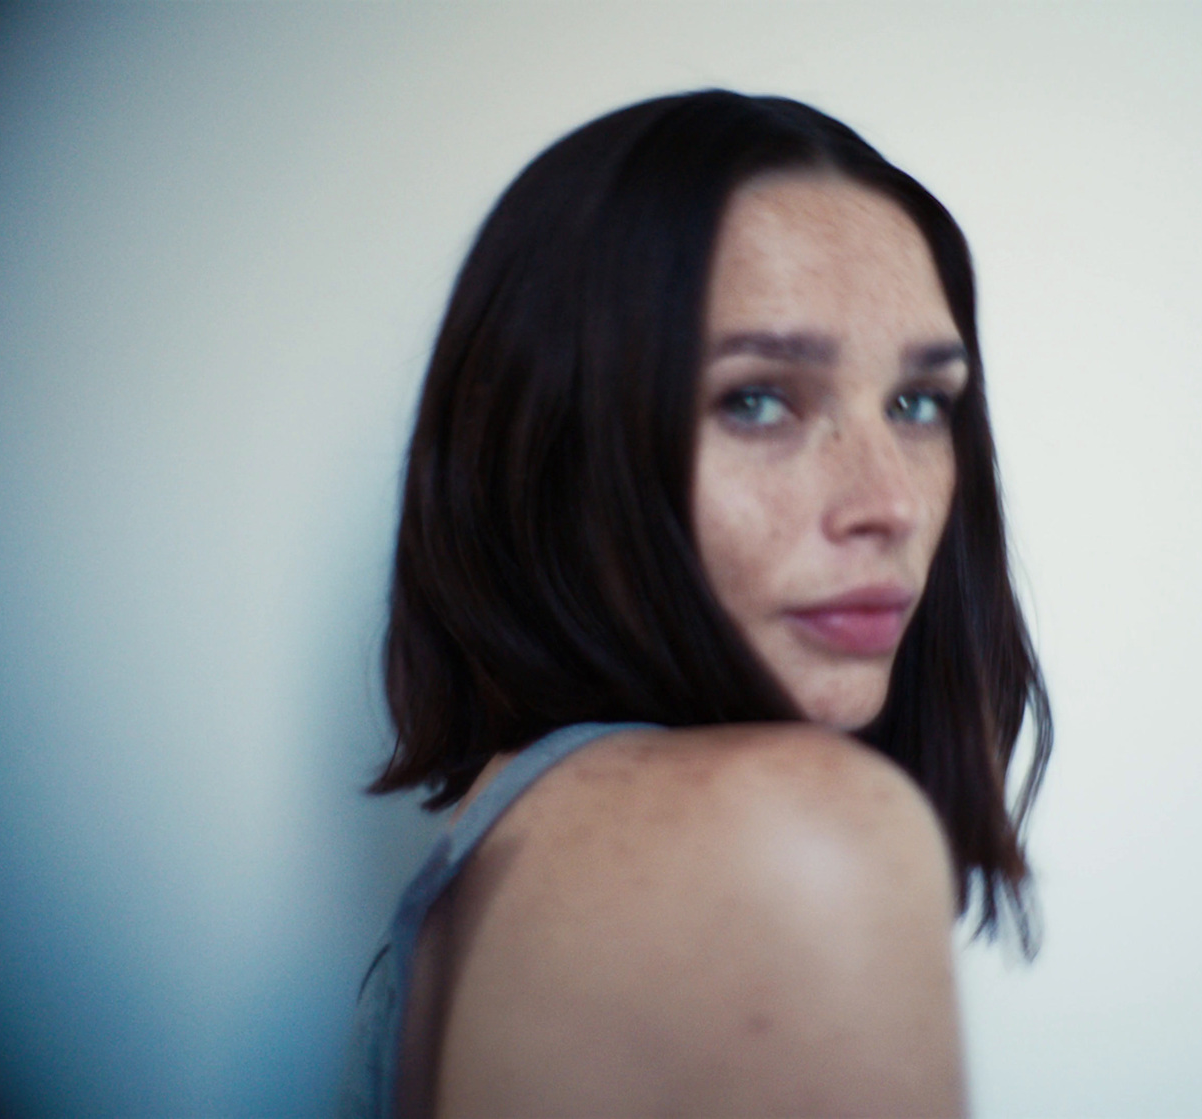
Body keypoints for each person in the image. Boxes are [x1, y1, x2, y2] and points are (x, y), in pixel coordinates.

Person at [341, 89, 1051, 1118]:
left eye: (918, 403)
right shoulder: (785, 832)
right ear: (555, 442)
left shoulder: (513, 830)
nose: (889, 502)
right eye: (756, 399)